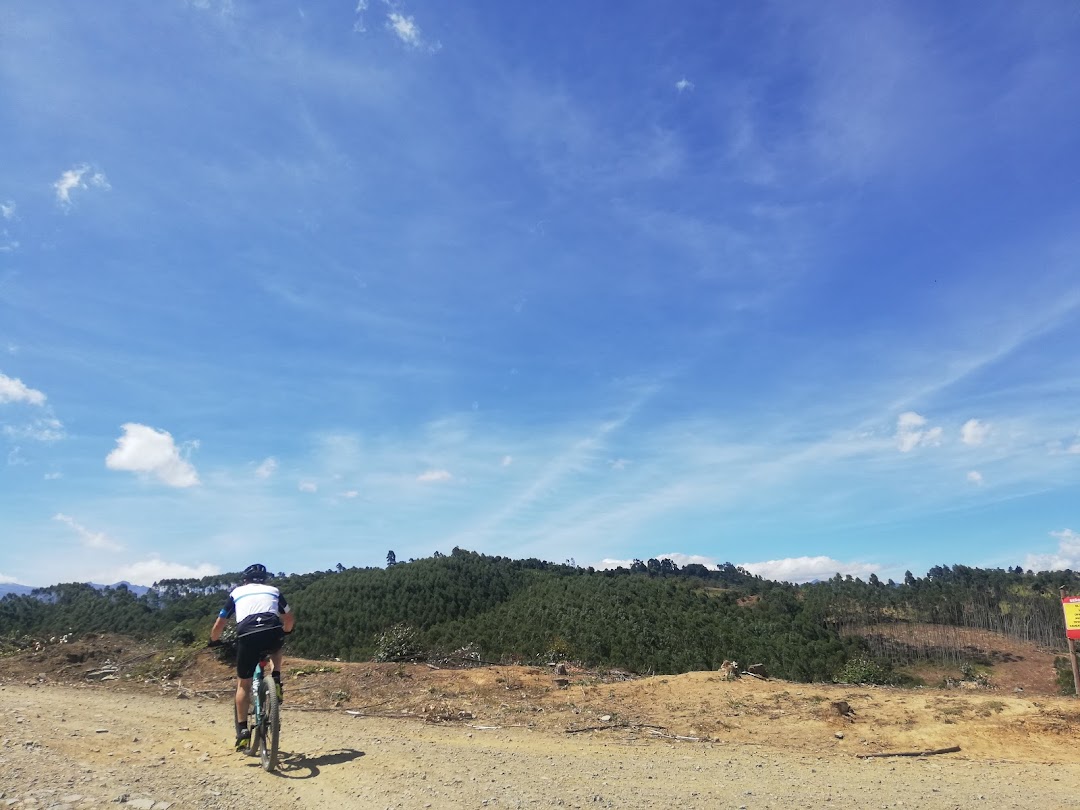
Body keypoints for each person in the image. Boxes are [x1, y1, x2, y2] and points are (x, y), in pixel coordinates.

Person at [208, 563, 295, 751]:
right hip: (272, 630)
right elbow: (289, 619)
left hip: (247, 635)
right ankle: (277, 678)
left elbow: (220, 622)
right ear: (264, 580)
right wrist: (286, 632)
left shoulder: (236, 593)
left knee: (243, 685)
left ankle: (242, 732)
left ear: (245, 580)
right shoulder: (274, 591)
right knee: (276, 647)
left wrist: (214, 640)